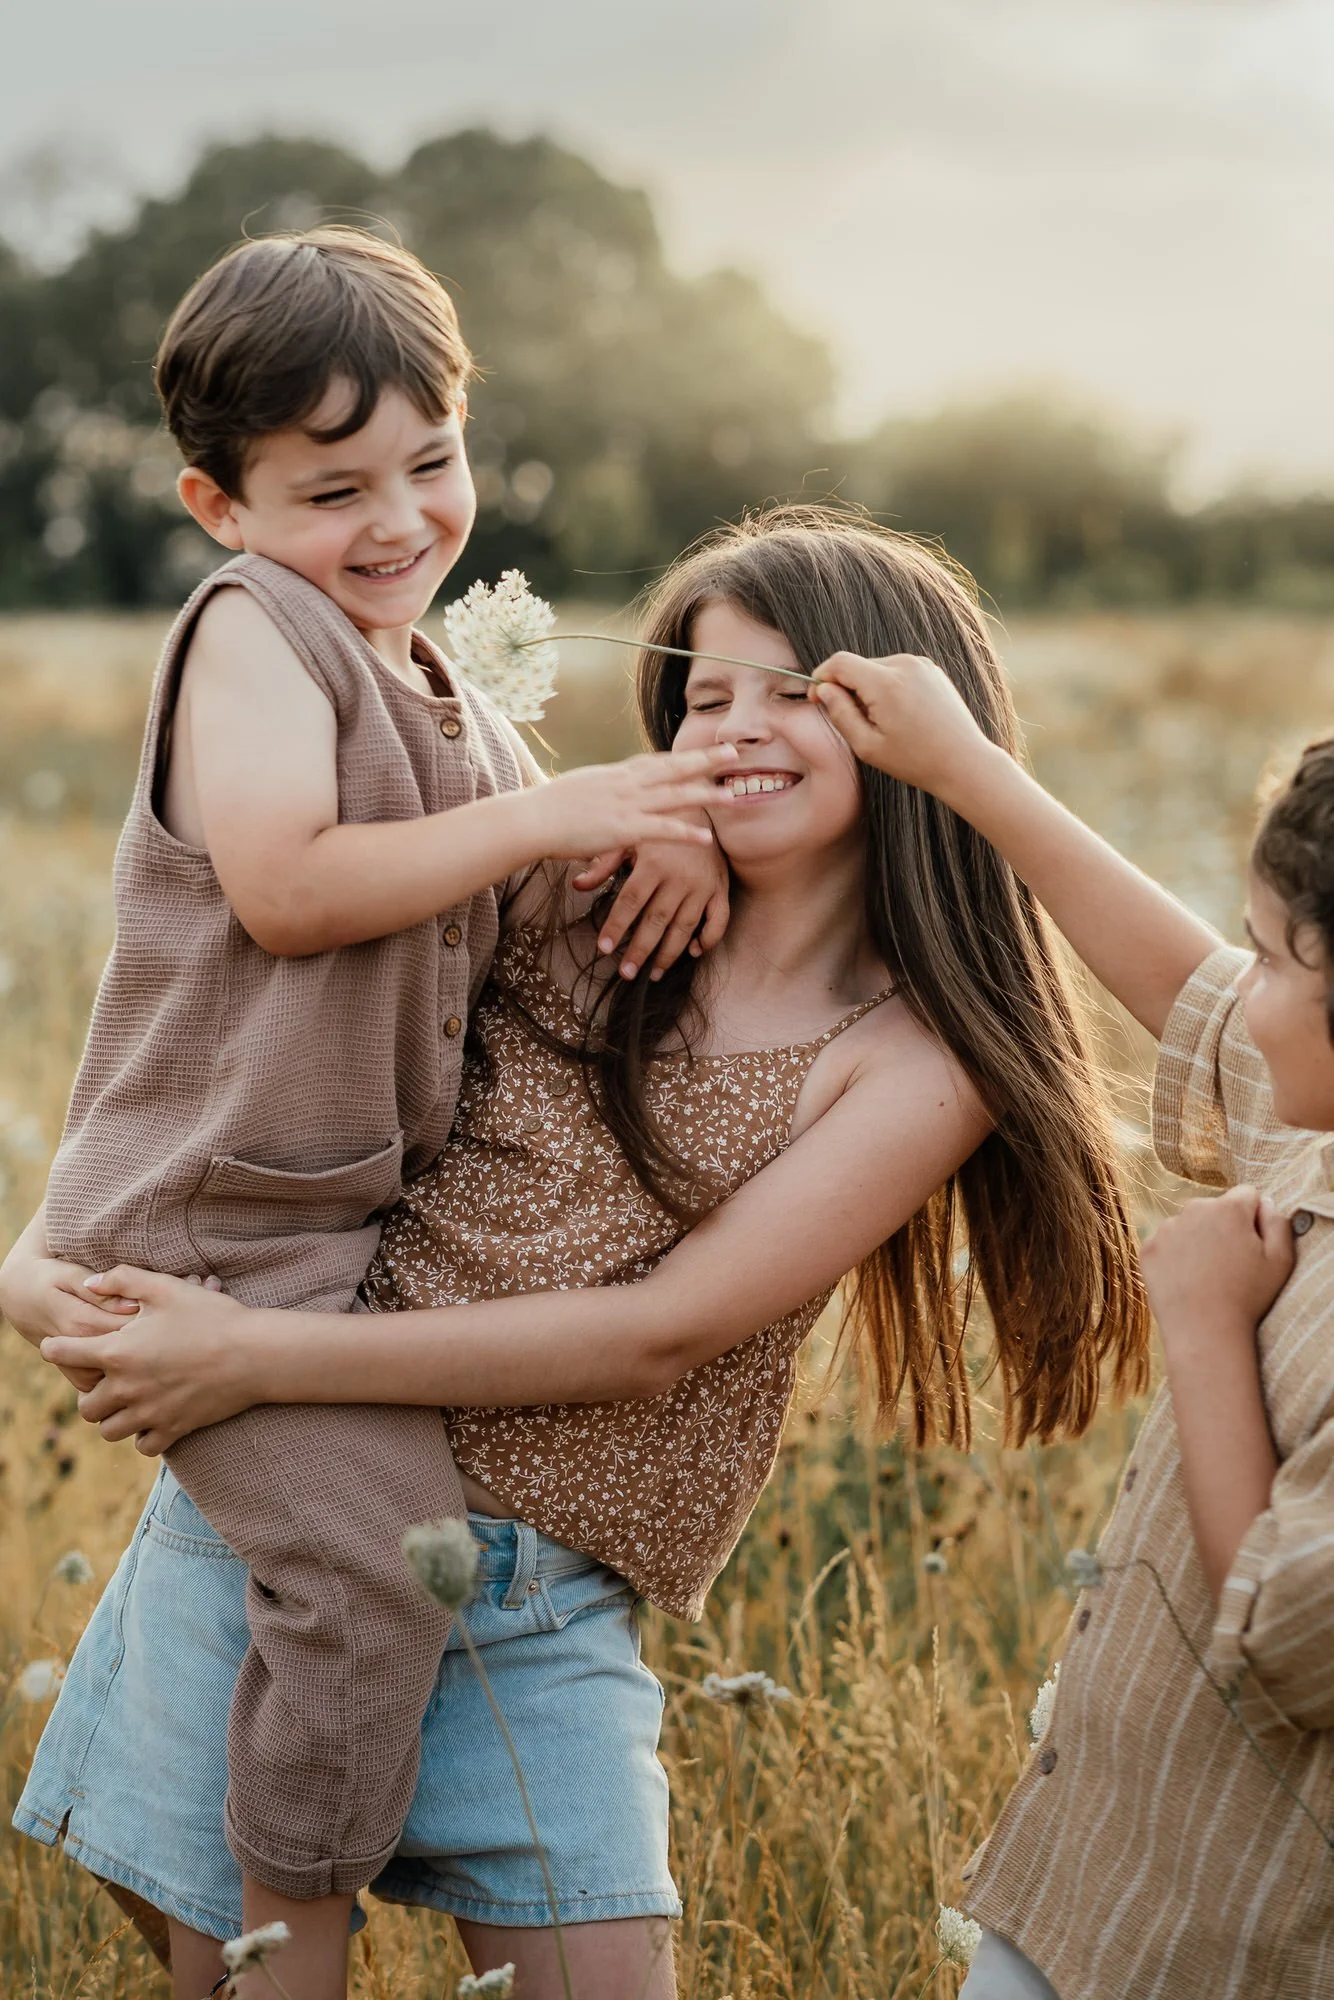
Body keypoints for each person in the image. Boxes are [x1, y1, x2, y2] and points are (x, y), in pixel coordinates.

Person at [8, 509, 1148, 2000]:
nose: (733, 726)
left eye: (795, 690)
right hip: (296, 1534)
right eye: (703, 693)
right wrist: (55, 1256)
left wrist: (250, 1352)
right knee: (245, 1969)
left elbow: (660, 1333)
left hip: (538, 1598)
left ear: (907, 720)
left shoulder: (915, 1060)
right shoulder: (575, 882)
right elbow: (249, 1028)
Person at [5, 224, 734, 1992]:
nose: (400, 520)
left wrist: (661, 849)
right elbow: (288, 882)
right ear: (218, 506)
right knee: (390, 1560)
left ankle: (256, 1888)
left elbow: (509, 907)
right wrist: (565, 817)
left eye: (433, 462)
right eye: (335, 488)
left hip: (322, 1247)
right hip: (203, 1235)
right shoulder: (252, 631)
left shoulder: (448, 693)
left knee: (375, 1553)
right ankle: (290, 1922)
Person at [806, 647, 1334, 1999]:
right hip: (1110, 1872)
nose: (1242, 988)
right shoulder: (1317, 1131)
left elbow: (1288, 1633)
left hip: (1230, 1937)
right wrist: (966, 771)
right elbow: (1196, 1002)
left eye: (1276, 955)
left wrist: (1204, 1327)